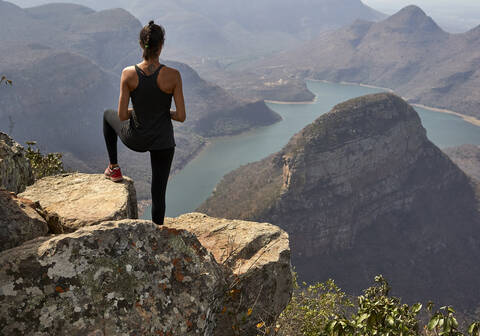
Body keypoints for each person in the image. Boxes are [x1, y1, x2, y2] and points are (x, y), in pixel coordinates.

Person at [103, 20, 186, 225]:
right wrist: (162, 112)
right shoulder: (173, 76)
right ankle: (157, 235)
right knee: (158, 193)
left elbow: (122, 116)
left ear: (142, 45)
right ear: (162, 46)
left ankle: (114, 167)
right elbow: (181, 116)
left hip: (137, 138)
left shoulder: (128, 74)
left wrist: (140, 110)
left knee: (107, 115)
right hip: (163, 143)